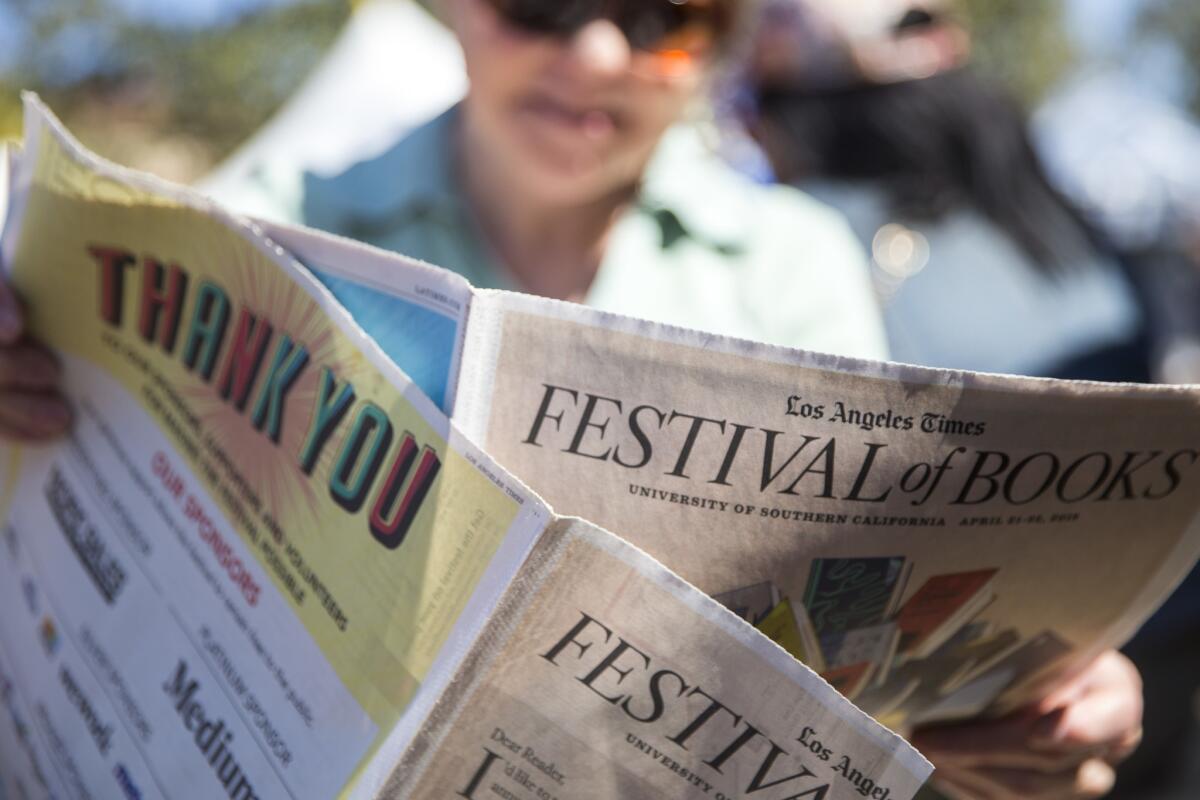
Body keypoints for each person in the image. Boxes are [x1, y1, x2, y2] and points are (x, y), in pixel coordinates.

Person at [0, 0, 1143, 796]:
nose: (596, 52)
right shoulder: (262, 215)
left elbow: (866, 617)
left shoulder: (791, 260)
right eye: (541, 1)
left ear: (727, 33)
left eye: (663, 17)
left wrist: (1038, 706)